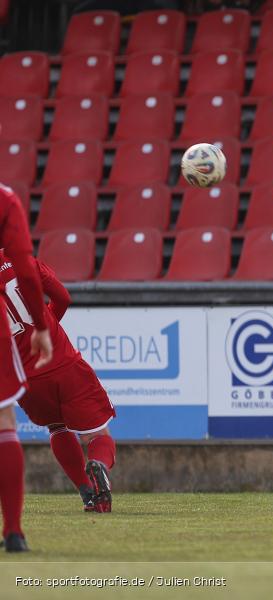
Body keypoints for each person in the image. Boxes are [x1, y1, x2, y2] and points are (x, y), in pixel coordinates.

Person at [0, 252, 117, 514]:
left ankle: (87, 493)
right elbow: (62, 297)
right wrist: (47, 325)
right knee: (97, 435)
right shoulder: (21, 260)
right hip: (63, 362)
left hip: (27, 377)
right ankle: (98, 465)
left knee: (56, 427)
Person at [0, 184, 53, 553]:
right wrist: (42, 326)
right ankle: (14, 532)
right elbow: (26, 269)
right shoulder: (4, 198)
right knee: (4, 422)